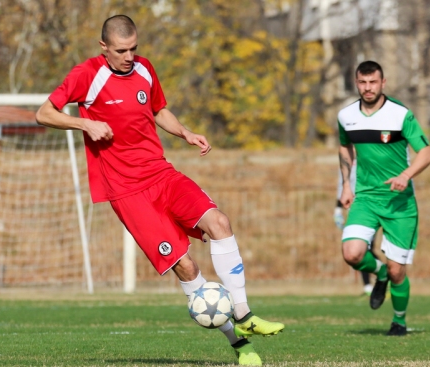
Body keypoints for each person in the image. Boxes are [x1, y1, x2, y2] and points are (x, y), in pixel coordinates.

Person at [35, 15, 284, 365]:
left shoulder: (144, 69)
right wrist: (84, 123)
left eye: (134, 48)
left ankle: (244, 315)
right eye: (121, 50)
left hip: (162, 175)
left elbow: (158, 109)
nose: (129, 56)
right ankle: (241, 346)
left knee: (220, 223)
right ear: (103, 47)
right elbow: (44, 113)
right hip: (127, 193)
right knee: (185, 266)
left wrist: (185, 133)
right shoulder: (86, 75)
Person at [337, 60, 430, 336]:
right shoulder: (346, 116)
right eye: (363, 82)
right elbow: (345, 148)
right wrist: (346, 185)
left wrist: (406, 175)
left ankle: (399, 321)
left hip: (399, 203)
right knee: (352, 253)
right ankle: (377, 272)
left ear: (383, 83)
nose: (368, 88)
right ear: (357, 83)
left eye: (373, 82)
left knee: (397, 271)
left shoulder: (400, 115)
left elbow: (426, 153)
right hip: (366, 198)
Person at [333, 162, 373, 296]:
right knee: (355, 251)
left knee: (368, 249)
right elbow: (341, 187)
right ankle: (368, 286)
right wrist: (338, 210)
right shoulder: (346, 160)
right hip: (355, 212)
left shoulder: (371, 154)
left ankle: (387, 275)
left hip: (373, 208)